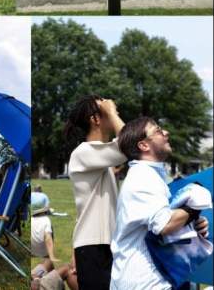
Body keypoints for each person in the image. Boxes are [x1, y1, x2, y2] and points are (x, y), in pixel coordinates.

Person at [110, 117, 209, 290]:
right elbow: (164, 224)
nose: (166, 133)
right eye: (158, 131)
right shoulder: (143, 176)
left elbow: (160, 225)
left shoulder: (150, 175)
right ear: (144, 145)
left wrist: (192, 224)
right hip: (144, 282)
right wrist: (193, 207)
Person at [65, 96, 126, 290]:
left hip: (99, 244)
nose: (111, 107)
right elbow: (132, 144)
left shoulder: (97, 157)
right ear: (95, 119)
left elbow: (83, 207)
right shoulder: (84, 152)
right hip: (96, 247)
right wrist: (113, 112)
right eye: (104, 108)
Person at [31, 192, 58, 274]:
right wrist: (52, 256)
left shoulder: (32, 219)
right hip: (42, 252)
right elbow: (48, 238)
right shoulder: (46, 220)